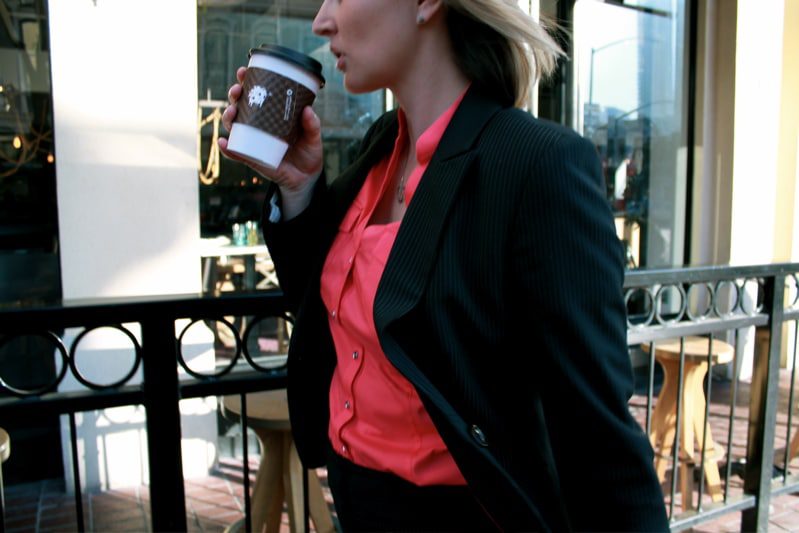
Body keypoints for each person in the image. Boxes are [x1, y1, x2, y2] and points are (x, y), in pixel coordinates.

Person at [220, 0, 669, 531]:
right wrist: (298, 188)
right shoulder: (381, 145)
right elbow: (325, 310)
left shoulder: (534, 163)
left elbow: (597, 437)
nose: (321, 21)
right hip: (356, 505)